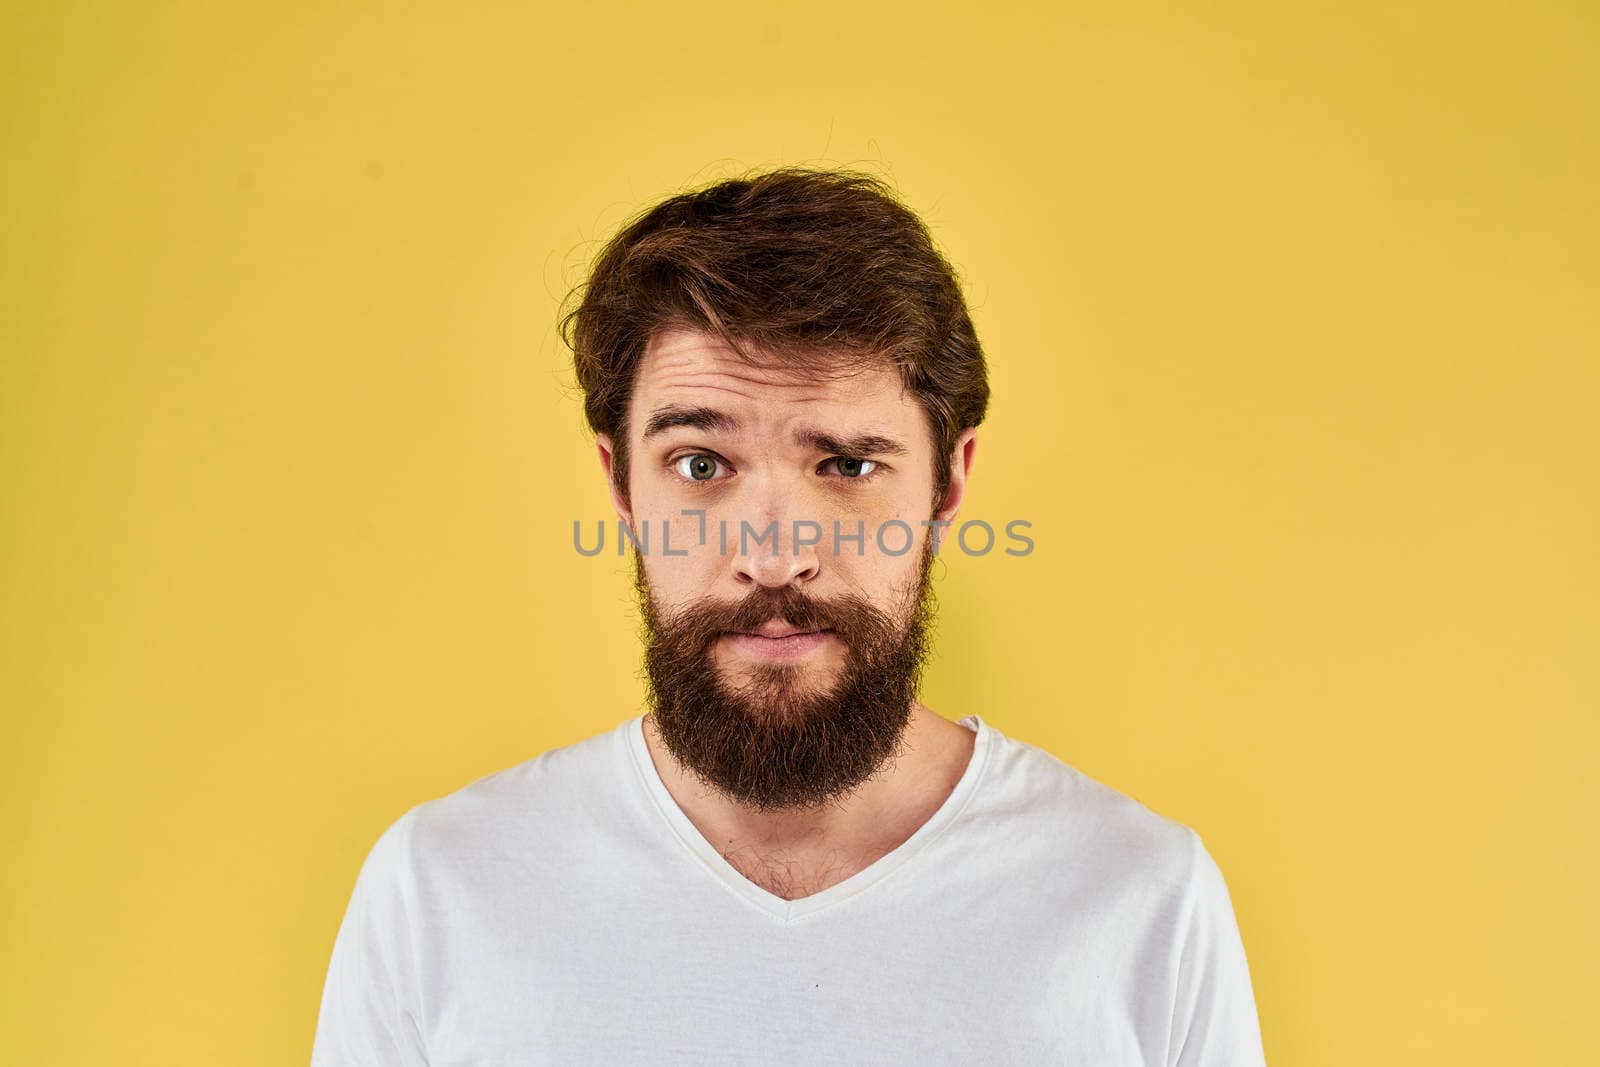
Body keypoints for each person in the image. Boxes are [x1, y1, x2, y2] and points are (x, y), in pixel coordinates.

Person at [311, 168, 1267, 1065]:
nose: (771, 556)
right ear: (620, 485)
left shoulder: (1142, 897)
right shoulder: (439, 892)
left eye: (848, 466)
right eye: (700, 464)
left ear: (947, 485)